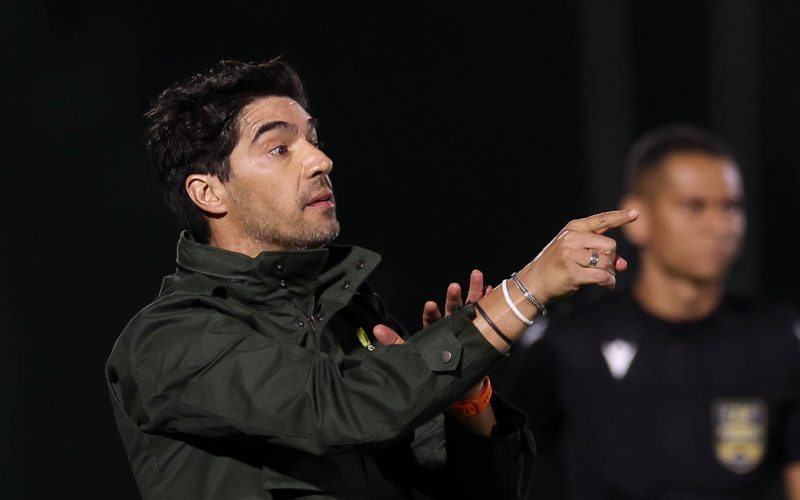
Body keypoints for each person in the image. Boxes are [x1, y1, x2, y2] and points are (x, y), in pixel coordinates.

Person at [104, 57, 639, 499]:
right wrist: (523, 293)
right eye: (279, 148)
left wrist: (466, 398)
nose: (320, 160)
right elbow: (339, 410)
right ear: (208, 193)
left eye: (313, 139)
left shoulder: (356, 316)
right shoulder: (169, 340)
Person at [499, 124, 800, 500]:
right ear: (637, 221)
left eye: (731, 206)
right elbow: (496, 469)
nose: (720, 225)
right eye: (695, 206)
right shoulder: (569, 342)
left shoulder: (780, 339)